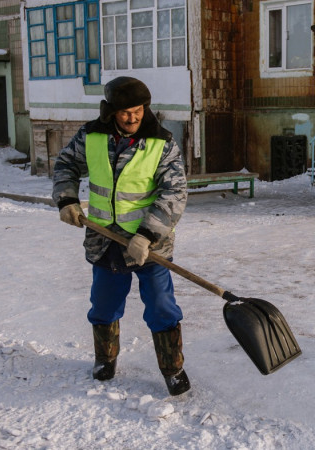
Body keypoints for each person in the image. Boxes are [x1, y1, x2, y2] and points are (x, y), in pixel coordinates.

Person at [52, 76, 190, 396]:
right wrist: (67, 199)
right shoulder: (92, 136)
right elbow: (66, 163)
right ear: (111, 111)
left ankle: (173, 369)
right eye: (126, 112)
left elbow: (175, 193)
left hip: (149, 245)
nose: (133, 118)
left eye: (138, 110)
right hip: (104, 241)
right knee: (104, 305)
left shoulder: (162, 143)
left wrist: (147, 234)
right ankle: (105, 359)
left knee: (161, 307)